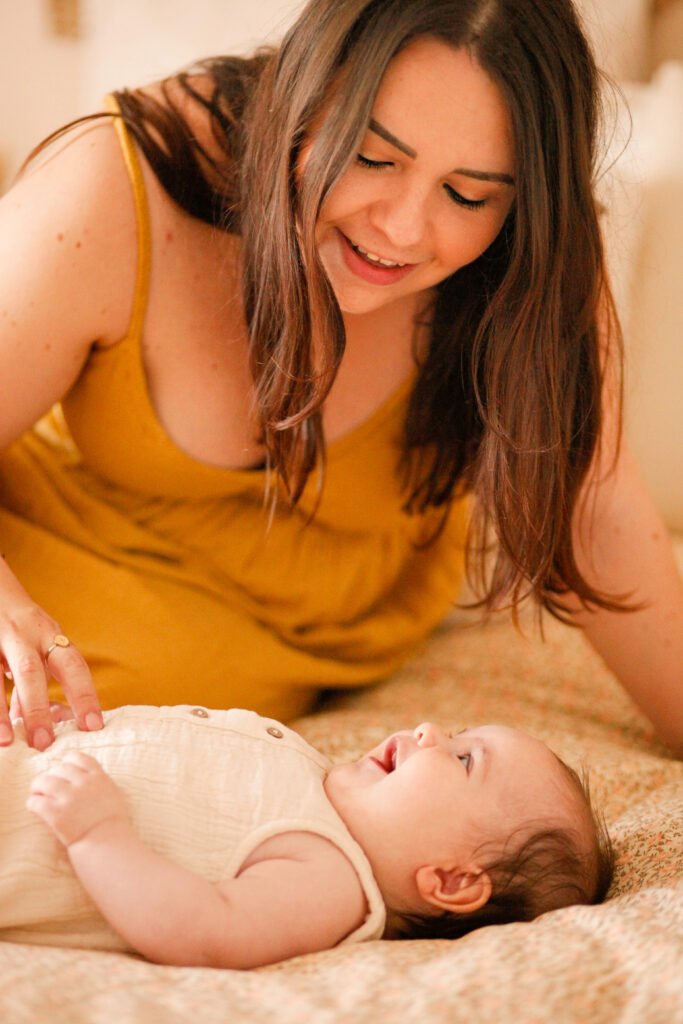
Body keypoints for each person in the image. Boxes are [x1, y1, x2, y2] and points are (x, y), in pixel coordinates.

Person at [0, 0, 681, 754]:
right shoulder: (119, 189)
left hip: (241, 678)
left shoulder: (523, 263)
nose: (399, 228)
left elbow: (593, 513)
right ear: (303, 92)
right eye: (371, 156)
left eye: (467, 194)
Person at [0, 704, 613, 967]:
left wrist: (99, 834)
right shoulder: (315, 780)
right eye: (457, 734)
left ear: (451, 880)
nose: (429, 730)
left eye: (463, 761)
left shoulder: (331, 879)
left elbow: (208, 931)